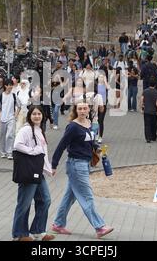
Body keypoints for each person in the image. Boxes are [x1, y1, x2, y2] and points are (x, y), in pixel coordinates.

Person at [50, 101, 114, 239]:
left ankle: (58, 224)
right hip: (76, 165)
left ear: (88, 110)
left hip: (85, 164)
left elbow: (92, 142)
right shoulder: (72, 127)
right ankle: (100, 227)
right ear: (76, 110)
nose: (82, 111)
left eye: (85, 108)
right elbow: (61, 145)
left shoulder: (89, 124)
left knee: (69, 197)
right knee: (87, 196)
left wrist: (100, 150)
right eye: (80, 108)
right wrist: (54, 164)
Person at [12, 106, 55, 241]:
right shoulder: (26, 129)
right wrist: (33, 151)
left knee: (45, 200)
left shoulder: (39, 130)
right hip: (28, 172)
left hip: (38, 171)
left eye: (39, 114)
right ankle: (19, 234)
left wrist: (49, 168)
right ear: (29, 116)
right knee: (24, 203)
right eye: (34, 114)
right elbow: (17, 145)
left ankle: (38, 230)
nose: (37, 116)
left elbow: (44, 152)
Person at [0, 79, 21, 159]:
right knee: (2, 136)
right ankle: (3, 152)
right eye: (9, 85)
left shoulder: (14, 95)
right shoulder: (1, 96)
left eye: (11, 85)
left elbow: (19, 106)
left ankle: (10, 152)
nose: (10, 86)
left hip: (11, 118)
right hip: (2, 118)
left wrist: (15, 116)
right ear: (5, 86)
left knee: (10, 135)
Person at [141, 78, 157, 143]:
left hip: (146, 111)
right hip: (153, 111)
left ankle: (148, 138)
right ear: (155, 85)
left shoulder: (145, 91)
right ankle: (153, 137)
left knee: (147, 125)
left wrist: (142, 108)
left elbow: (142, 100)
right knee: (154, 124)